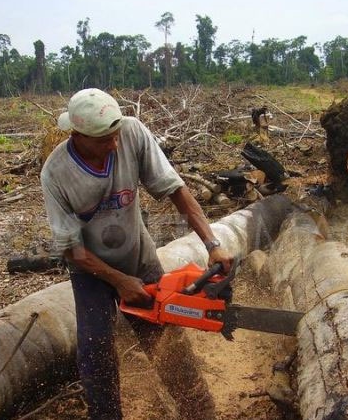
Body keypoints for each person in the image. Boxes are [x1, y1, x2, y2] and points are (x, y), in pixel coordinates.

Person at [40, 88, 233, 420]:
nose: (114, 144)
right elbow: (72, 249)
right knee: (96, 349)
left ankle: (199, 411)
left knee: (167, 339)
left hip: (138, 257)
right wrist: (118, 281)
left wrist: (212, 244)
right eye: (104, 140)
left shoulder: (130, 132)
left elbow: (176, 190)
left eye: (115, 135)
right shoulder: (56, 173)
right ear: (78, 134)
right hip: (90, 270)